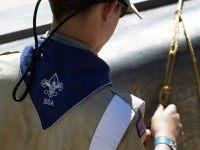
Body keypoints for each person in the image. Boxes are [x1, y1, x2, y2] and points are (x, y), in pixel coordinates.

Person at [0, 0, 182, 149]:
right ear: (109, 8)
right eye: (122, 11)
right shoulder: (119, 117)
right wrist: (166, 139)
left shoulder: (3, 68)